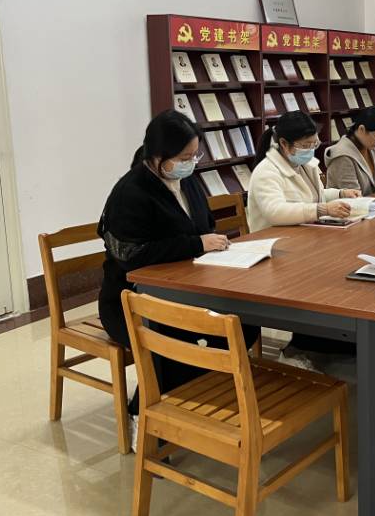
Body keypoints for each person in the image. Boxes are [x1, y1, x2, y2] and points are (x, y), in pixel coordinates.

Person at [97, 110, 260, 445]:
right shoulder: (131, 192)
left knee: (244, 325)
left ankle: (192, 397)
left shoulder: (188, 181)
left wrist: (209, 245)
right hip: (130, 302)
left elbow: (205, 226)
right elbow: (130, 256)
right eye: (185, 157)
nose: (191, 163)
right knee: (180, 337)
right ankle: (143, 411)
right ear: (158, 157)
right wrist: (195, 244)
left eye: (195, 155)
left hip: (190, 286)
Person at [247, 111, 360, 232]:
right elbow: (275, 211)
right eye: (305, 146)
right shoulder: (266, 171)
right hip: (273, 237)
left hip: (304, 232)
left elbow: (313, 196)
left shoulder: (304, 164)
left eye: (314, 144)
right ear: (284, 143)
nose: (310, 150)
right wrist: (323, 210)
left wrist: (341, 194)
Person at [324, 105, 375, 195]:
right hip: (349, 203)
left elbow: (370, 182)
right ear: (361, 129)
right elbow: (353, 196)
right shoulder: (342, 156)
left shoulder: (368, 146)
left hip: (367, 202)